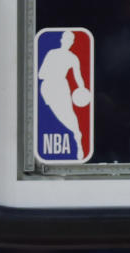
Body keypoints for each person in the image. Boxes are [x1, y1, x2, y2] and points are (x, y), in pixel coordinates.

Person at [37, 30, 88, 159]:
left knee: (69, 115)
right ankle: (76, 135)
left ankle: (78, 141)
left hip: (61, 87)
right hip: (48, 87)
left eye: (70, 40)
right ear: (62, 40)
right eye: (66, 39)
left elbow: (78, 76)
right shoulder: (52, 53)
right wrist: (53, 74)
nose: (68, 42)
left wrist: (82, 89)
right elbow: (40, 74)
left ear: (72, 42)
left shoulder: (73, 58)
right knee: (55, 115)